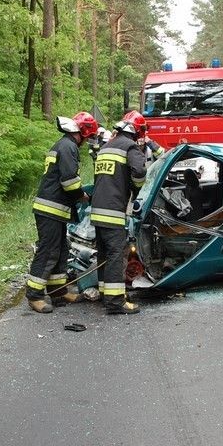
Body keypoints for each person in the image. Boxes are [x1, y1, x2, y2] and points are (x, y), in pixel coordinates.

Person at [25, 111, 99, 313]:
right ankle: (34, 295)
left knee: (60, 250)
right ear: (83, 133)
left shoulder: (63, 144)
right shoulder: (69, 147)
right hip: (51, 208)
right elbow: (69, 182)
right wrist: (83, 195)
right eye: (88, 136)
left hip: (54, 209)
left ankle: (58, 291)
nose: (88, 141)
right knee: (48, 250)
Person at [90, 110, 147, 314]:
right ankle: (115, 302)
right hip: (113, 211)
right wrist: (137, 188)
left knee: (104, 253)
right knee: (116, 255)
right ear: (137, 131)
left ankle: (106, 294)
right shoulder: (130, 146)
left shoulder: (106, 147)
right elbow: (140, 172)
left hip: (97, 210)